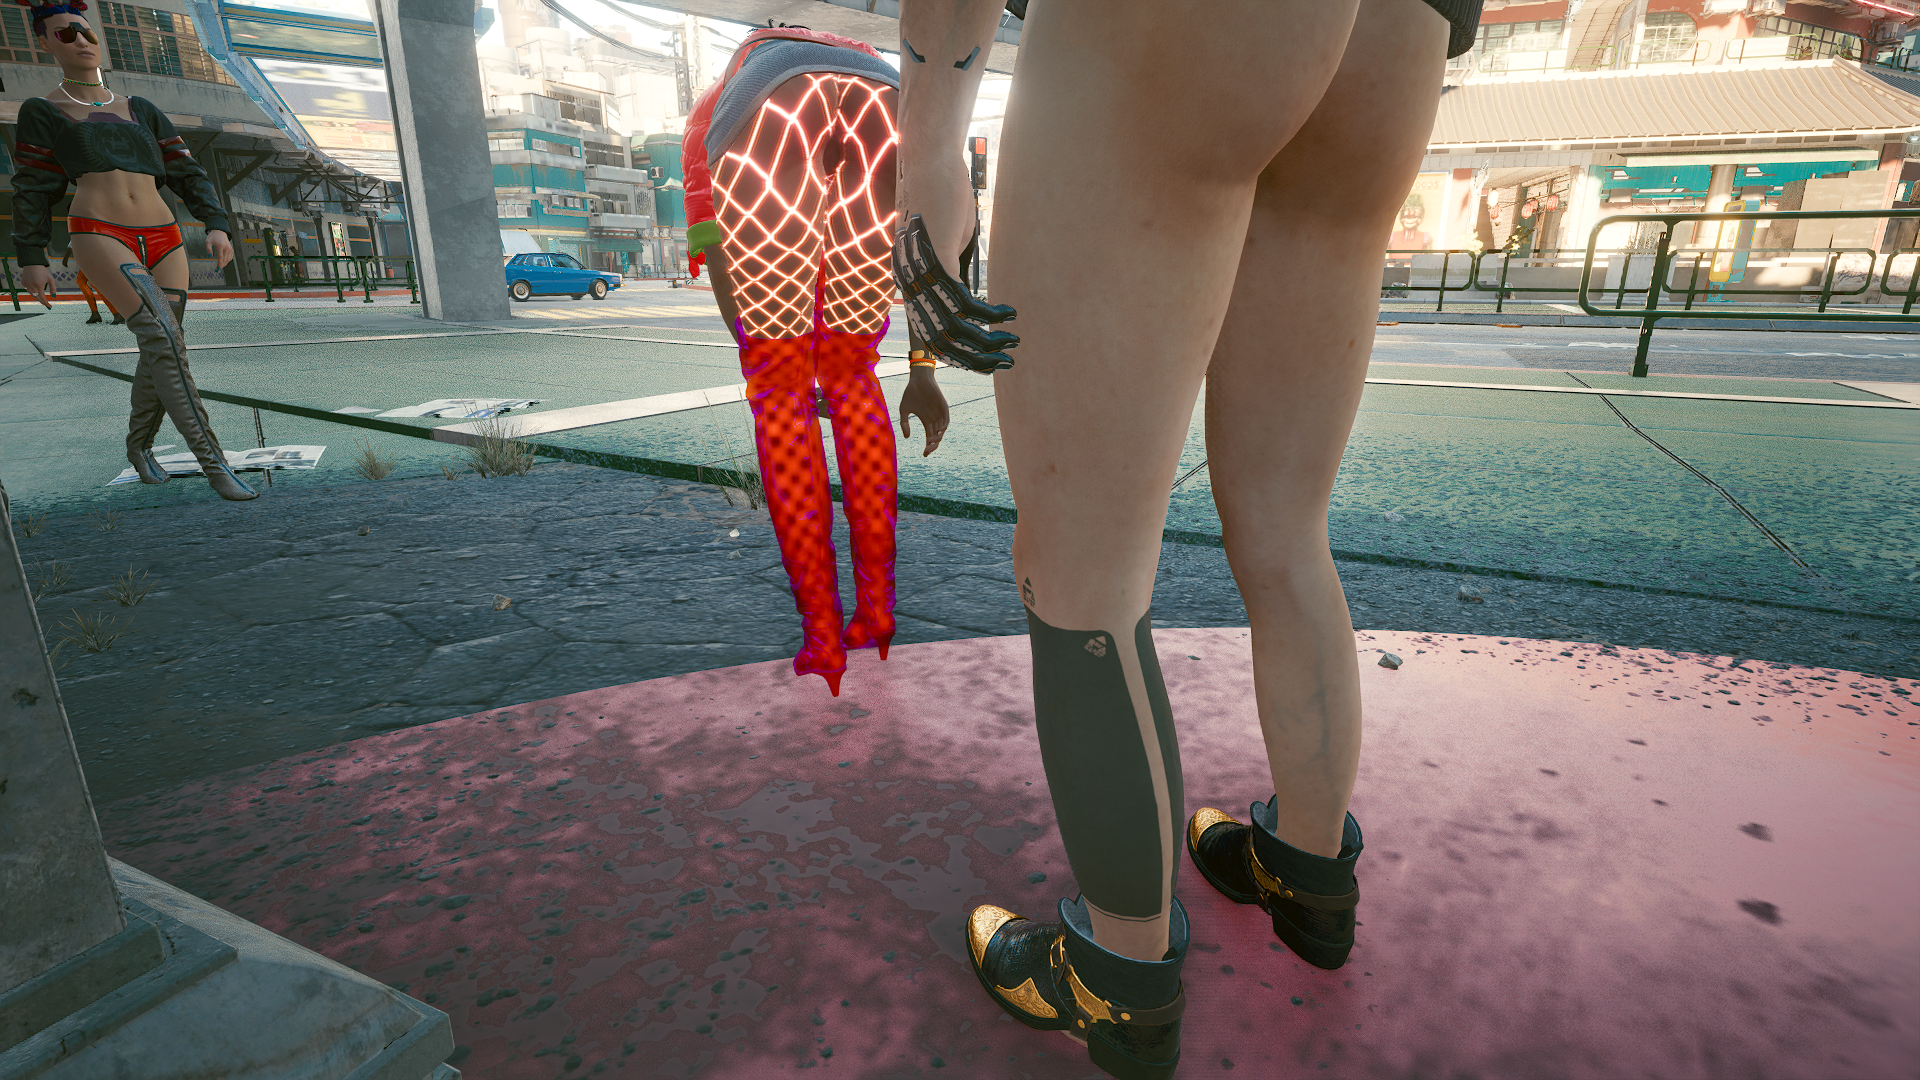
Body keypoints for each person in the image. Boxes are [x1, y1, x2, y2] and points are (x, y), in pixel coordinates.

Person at [895, 2, 1480, 1077]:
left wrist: (929, 145)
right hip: (1401, 35)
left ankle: (1117, 978)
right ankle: (1306, 877)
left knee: (1083, 573)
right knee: (1288, 530)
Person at [681, 20, 950, 696]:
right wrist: (922, 368)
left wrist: (764, 353)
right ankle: (877, 615)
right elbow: (919, 238)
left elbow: (713, 237)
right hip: (888, 99)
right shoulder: (857, 59)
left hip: (777, 109)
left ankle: (824, 640)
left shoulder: (720, 99)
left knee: (780, 391)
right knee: (854, 374)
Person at [9, 0, 253, 501]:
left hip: (164, 234)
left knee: (162, 346)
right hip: (100, 231)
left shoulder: (141, 108)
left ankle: (139, 446)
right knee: (164, 340)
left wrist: (216, 223)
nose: (80, 41)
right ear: (44, 43)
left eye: (86, 32)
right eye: (65, 34)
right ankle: (215, 465)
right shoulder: (43, 110)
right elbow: (33, 186)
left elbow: (187, 171)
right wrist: (31, 254)